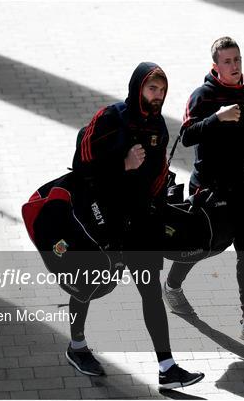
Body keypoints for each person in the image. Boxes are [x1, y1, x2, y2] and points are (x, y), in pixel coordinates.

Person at [66, 62, 204, 390]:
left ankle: (167, 367)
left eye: (161, 90)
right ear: (137, 88)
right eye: (151, 88)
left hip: (138, 224)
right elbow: (81, 167)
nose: (157, 96)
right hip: (103, 220)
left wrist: (160, 209)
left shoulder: (159, 128)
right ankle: (76, 346)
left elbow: (156, 177)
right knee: (86, 286)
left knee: (150, 292)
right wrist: (122, 164)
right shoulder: (109, 118)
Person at [162, 37, 244, 345]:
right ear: (215, 66)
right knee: (204, 246)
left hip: (241, 186)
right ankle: (172, 287)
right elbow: (186, 135)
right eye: (227, 61)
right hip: (209, 189)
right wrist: (218, 117)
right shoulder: (203, 96)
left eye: (237, 59)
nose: (235, 66)